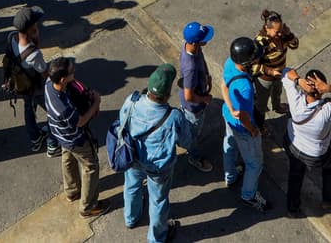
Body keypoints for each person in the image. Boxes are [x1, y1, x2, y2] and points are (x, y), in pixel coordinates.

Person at [119, 65, 193, 242]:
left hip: (133, 157)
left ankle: (131, 218)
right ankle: (156, 238)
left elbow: (122, 122)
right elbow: (186, 141)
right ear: (167, 95)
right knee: (158, 200)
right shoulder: (174, 116)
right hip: (158, 167)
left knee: (131, 186)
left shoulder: (132, 100)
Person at [281, 68, 331, 218]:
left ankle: (292, 209)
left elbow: (286, 73)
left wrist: (298, 80)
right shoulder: (325, 113)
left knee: (295, 175)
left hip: (292, 144)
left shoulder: (295, 100)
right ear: (322, 91)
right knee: (330, 166)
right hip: (315, 154)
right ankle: (329, 199)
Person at [45, 57, 107, 217]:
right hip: (75, 138)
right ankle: (88, 207)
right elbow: (80, 121)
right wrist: (95, 104)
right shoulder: (63, 107)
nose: (75, 73)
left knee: (68, 159)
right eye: (72, 72)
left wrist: (85, 92)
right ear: (63, 79)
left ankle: (72, 191)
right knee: (90, 166)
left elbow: (74, 84)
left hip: (61, 135)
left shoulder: (48, 84)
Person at [220, 36, 268, 211]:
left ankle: (230, 176)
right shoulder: (245, 87)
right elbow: (244, 116)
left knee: (230, 145)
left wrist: (231, 108)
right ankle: (248, 195)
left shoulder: (229, 62)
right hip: (243, 128)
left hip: (227, 116)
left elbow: (223, 86)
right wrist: (253, 130)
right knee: (255, 164)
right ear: (247, 62)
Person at [6, 6, 56, 155]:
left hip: (21, 84)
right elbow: (44, 72)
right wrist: (37, 40)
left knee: (29, 110)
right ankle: (53, 145)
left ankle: (35, 138)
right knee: (53, 113)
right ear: (30, 29)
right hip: (36, 87)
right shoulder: (33, 54)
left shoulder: (11, 37)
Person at [249, 10, 300, 127]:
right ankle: (260, 126)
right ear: (267, 29)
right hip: (265, 79)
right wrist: (270, 71)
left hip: (279, 74)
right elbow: (253, 66)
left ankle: (277, 106)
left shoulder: (283, 36)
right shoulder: (260, 42)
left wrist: (289, 34)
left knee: (277, 92)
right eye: (277, 32)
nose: (280, 34)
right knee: (261, 104)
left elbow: (295, 45)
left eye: (281, 30)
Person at [179, 21, 215, 173]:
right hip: (194, 108)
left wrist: (206, 76)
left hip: (199, 91)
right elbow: (188, 96)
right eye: (203, 38)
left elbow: (201, 59)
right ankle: (194, 157)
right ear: (196, 42)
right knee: (193, 135)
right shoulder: (190, 67)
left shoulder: (191, 47)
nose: (207, 40)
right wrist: (204, 100)